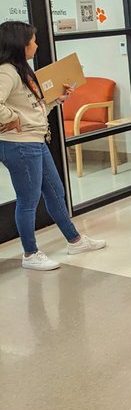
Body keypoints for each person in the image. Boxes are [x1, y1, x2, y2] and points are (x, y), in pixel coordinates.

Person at [0, 21, 105, 271]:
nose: (36, 45)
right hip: (20, 145)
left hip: (35, 141)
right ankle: (30, 254)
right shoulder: (6, 72)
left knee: (56, 192)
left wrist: (57, 100)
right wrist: (13, 118)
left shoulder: (21, 70)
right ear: (20, 44)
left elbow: (33, 109)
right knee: (28, 200)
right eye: (33, 41)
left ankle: (75, 240)